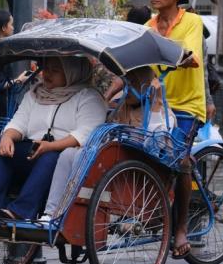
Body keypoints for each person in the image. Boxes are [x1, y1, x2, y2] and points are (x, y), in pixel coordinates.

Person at [0, 56, 106, 221]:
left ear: (72, 73)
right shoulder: (35, 93)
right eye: (46, 68)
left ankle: (21, 211)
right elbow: (19, 122)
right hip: (32, 150)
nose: (47, 74)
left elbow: (85, 133)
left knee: (50, 157)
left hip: (63, 156)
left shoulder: (89, 97)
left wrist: (51, 146)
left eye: (55, 70)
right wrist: (7, 137)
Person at [43, 66, 176, 219]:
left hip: (137, 171)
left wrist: (155, 106)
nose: (127, 89)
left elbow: (154, 147)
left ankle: (67, 210)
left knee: (82, 156)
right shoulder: (122, 108)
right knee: (68, 154)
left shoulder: (164, 113)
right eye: (126, 84)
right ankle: (51, 212)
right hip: (115, 162)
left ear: (145, 86)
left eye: (132, 85)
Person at [145, 0, 206, 259]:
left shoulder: (192, 21)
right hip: (156, 106)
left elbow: (191, 56)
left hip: (187, 105)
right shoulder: (148, 26)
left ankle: (181, 227)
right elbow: (138, 66)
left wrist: (163, 54)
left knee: (179, 160)